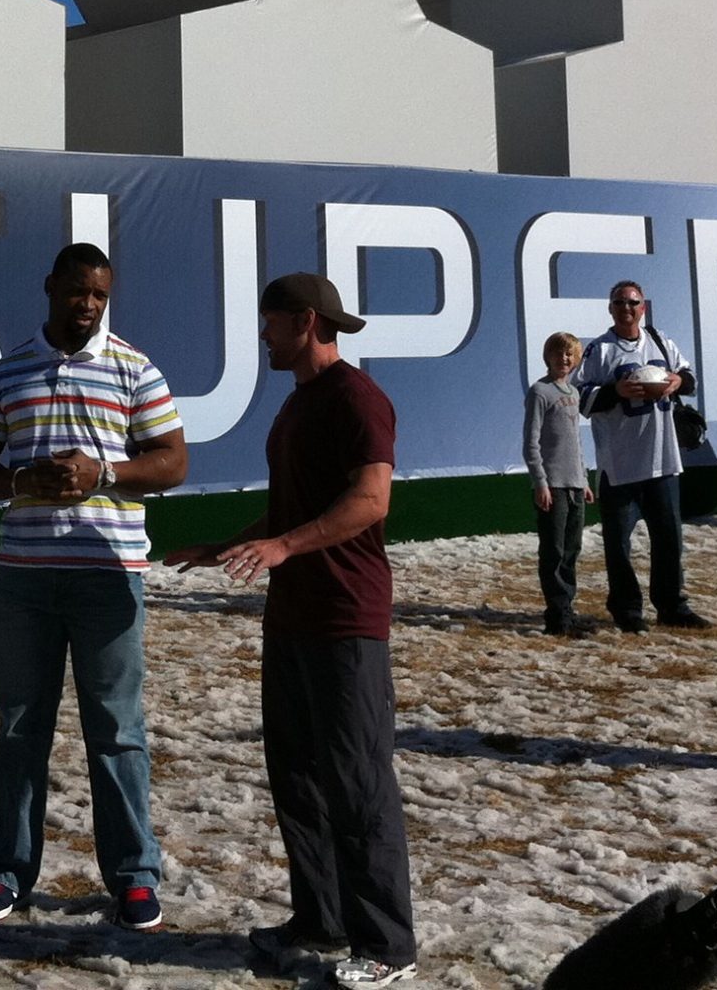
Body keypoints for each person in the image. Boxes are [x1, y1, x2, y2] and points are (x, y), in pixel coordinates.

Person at [165, 272, 417, 989]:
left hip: (347, 621)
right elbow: (288, 513)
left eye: (270, 322)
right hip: (294, 622)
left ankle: (388, 947)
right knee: (299, 781)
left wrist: (284, 548)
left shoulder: (359, 399)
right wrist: (223, 548)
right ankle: (321, 921)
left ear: (306, 321)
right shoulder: (297, 406)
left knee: (359, 783)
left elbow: (369, 501)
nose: (263, 336)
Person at [0, 242, 189, 931]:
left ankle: (134, 878)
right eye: (77, 291)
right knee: (18, 731)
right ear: (51, 287)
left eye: (99, 295)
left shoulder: (135, 369)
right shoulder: (10, 371)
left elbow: (173, 462)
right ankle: (6, 875)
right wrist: (19, 482)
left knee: (117, 730)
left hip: (108, 578)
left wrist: (104, 474)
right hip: (24, 580)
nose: (87, 305)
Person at [579, 281, 709, 632]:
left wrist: (677, 383)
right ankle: (627, 610)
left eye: (633, 302)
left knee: (669, 538)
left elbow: (690, 376)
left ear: (643, 307)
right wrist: (615, 391)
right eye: (619, 302)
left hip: (663, 459)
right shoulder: (599, 350)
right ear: (610, 308)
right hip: (620, 464)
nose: (627, 308)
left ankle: (671, 606)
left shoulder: (660, 341)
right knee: (618, 543)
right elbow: (581, 398)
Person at [524, 331, 595, 636]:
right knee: (552, 551)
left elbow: (575, 442)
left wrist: (585, 479)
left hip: (575, 485)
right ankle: (557, 616)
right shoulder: (540, 392)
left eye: (569, 354)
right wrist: (541, 482)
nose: (564, 359)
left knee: (571, 549)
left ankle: (567, 607)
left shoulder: (574, 393)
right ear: (548, 356)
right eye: (558, 353)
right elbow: (531, 442)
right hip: (553, 485)